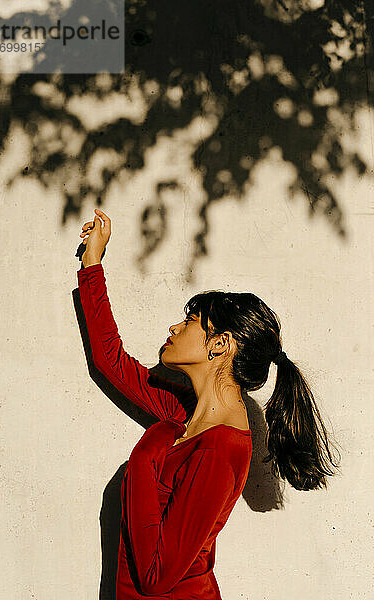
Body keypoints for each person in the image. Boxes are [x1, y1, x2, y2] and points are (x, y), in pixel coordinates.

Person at [75, 208, 340, 599]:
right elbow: (109, 361)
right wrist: (92, 266)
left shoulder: (219, 449)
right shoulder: (184, 413)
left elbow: (156, 576)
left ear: (220, 344)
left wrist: (148, 451)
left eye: (191, 320)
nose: (174, 327)